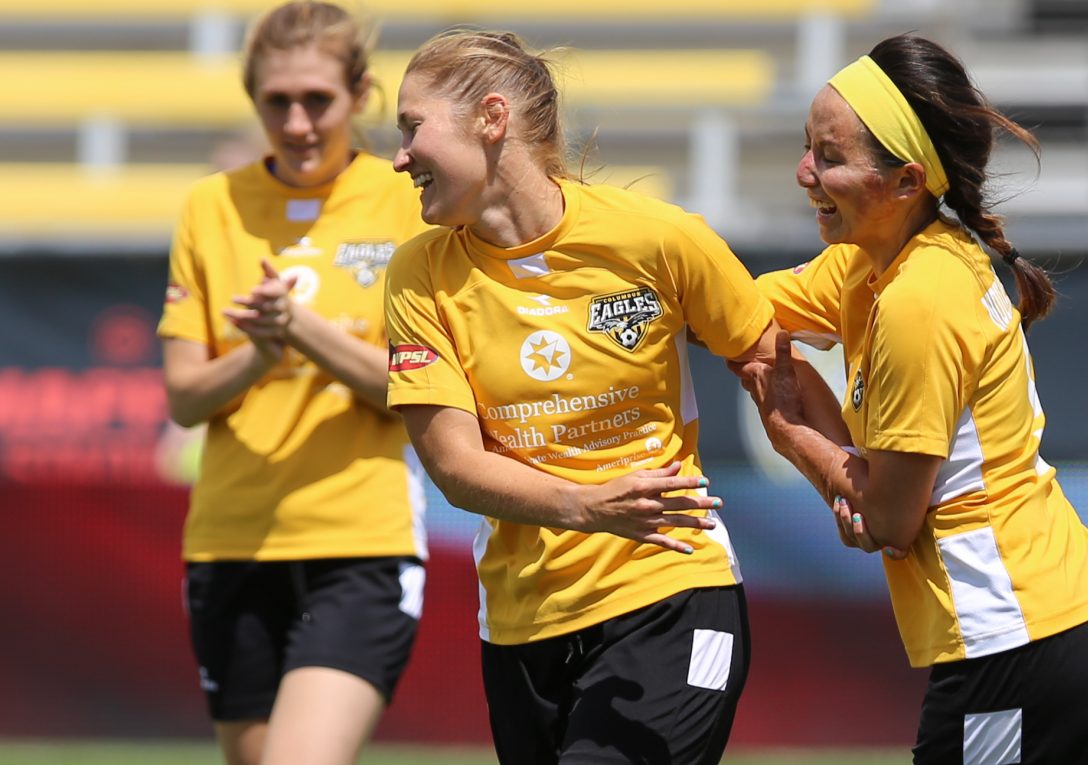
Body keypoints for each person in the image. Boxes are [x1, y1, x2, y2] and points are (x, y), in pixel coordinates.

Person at [381, 29, 818, 765]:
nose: (398, 156)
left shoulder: (656, 237)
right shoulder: (417, 275)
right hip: (522, 627)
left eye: (411, 127)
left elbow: (767, 360)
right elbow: (454, 467)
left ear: (491, 119)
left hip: (673, 587)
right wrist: (586, 505)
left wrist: (845, 477)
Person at [735, 34, 1088, 764]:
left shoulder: (918, 298)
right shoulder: (885, 257)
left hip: (1017, 642)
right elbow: (740, 309)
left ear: (905, 182)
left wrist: (788, 426)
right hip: (1069, 623)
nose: (805, 172)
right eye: (808, 147)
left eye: (830, 157)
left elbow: (890, 517)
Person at [156, 3, 431, 764]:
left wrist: (299, 327)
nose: (299, 120)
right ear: (254, 99)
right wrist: (259, 351)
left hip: (359, 542)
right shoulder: (211, 204)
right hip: (229, 541)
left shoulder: (406, 201)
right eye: (277, 101)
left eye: (318, 99)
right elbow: (184, 398)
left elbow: (418, 385)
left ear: (360, 95)